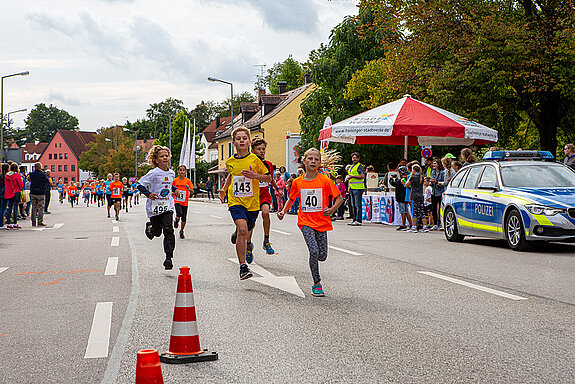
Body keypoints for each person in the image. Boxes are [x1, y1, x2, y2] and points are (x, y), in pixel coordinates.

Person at [277, 148, 343, 297]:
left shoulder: (325, 181)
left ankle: (317, 265)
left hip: (322, 222)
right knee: (313, 251)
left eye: (316, 159)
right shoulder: (298, 182)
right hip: (305, 221)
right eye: (310, 159)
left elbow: (339, 198)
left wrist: (331, 210)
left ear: (320, 163)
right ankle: (317, 283)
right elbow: (291, 198)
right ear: (304, 161)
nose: (313, 161)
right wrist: (283, 211)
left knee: (322, 255)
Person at [219, 126, 271, 280]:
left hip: (253, 203)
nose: (241, 140)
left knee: (247, 229)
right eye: (238, 138)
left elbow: (268, 178)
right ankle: (243, 267)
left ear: (249, 141)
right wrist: (223, 189)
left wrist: (255, 175)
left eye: (244, 138)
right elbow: (231, 175)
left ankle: (239, 231)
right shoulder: (230, 162)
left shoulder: (256, 160)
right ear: (233, 142)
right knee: (243, 230)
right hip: (235, 201)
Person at [137, 146, 178, 270]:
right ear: (156, 159)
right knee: (157, 232)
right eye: (162, 156)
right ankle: (150, 227)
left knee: (169, 230)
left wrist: (175, 190)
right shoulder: (153, 173)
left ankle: (168, 258)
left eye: (167, 155)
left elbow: (168, 186)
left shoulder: (171, 173)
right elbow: (140, 185)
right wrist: (149, 194)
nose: (165, 158)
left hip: (167, 205)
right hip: (154, 207)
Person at [247, 138, 281, 256]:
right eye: (258, 149)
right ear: (252, 150)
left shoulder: (269, 165)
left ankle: (266, 240)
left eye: (263, 149)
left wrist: (278, 189)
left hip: (264, 195)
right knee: (251, 223)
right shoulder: (249, 164)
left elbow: (271, 179)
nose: (262, 151)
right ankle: (248, 244)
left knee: (266, 213)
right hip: (252, 196)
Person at [172, 165, 194, 239]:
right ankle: (176, 219)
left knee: (184, 217)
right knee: (179, 213)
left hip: (185, 201)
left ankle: (181, 231)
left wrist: (189, 189)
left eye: (183, 170)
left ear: (185, 171)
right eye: (180, 170)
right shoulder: (175, 180)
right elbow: (171, 189)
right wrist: (173, 193)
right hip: (177, 200)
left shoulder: (188, 181)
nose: (182, 171)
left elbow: (192, 191)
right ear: (178, 172)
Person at [405, 164, 426, 233]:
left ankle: (414, 227)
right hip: (420, 196)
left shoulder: (413, 177)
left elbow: (406, 185)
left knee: (414, 212)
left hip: (414, 196)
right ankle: (425, 226)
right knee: (421, 211)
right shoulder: (421, 177)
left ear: (413, 170)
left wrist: (408, 178)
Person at [346, 151, 366, 226]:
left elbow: (362, 176)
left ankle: (358, 220)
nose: (354, 159)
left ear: (358, 158)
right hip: (352, 187)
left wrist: (352, 177)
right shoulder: (351, 167)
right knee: (353, 205)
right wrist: (348, 187)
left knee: (357, 204)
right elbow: (349, 178)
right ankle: (354, 219)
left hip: (358, 188)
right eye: (353, 158)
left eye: (355, 158)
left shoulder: (359, 166)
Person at [390, 166, 412, 231]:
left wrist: (391, 179)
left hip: (401, 198)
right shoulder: (407, 179)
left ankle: (403, 225)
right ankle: (410, 224)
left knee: (403, 212)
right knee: (406, 211)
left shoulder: (401, 180)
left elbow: (393, 184)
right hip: (406, 197)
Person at [4, 162, 23, 229]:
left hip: (9, 193)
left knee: (9, 207)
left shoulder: (6, 176)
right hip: (16, 192)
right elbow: (21, 185)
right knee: (15, 208)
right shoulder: (17, 175)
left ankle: (8, 223)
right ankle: (15, 223)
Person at [429, 158, 445, 231]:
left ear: (439, 164)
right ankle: (435, 224)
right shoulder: (433, 172)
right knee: (434, 208)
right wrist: (431, 183)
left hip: (440, 192)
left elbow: (443, 183)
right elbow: (430, 183)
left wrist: (436, 182)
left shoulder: (442, 172)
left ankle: (441, 223)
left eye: (435, 163)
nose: (433, 165)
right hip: (434, 192)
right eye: (433, 163)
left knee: (440, 208)